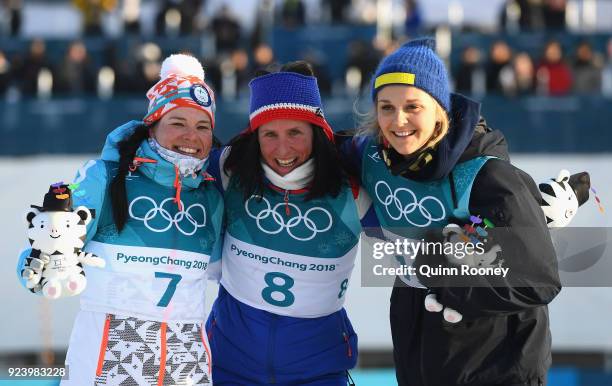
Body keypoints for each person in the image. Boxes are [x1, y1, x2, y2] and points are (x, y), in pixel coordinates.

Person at [340, 38, 560, 386]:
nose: (398, 121)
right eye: (386, 107)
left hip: (497, 362)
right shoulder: (370, 155)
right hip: (420, 351)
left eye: (413, 106)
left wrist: (448, 279)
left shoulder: (488, 174)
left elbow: (539, 281)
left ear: (439, 109)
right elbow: (306, 149)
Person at [17, 54, 223, 385]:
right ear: (152, 126)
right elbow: (53, 240)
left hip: (187, 362)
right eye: (177, 123)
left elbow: (228, 270)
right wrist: (41, 269)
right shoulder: (105, 177)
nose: (191, 136)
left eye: (203, 127)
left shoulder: (211, 195)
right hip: (111, 356)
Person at [205, 61, 371, 385]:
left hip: (318, 370)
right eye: (270, 134)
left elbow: (415, 244)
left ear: (317, 132)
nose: (282, 149)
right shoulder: (230, 170)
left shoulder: (351, 188)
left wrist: (484, 245)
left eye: (295, 132)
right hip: (228, 364)